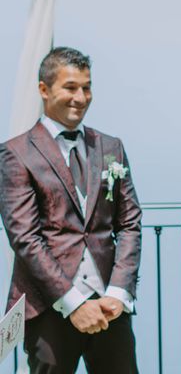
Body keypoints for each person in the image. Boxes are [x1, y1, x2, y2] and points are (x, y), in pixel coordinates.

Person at [0, 47, 142, 373]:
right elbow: (25, 238)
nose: (80, 97)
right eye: (70, 87)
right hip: (50, 308)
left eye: (87, 87)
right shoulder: (15, 154)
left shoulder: (110, 147)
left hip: (109, 307)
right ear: (44, 90)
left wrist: (119, 293)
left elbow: (130, 223)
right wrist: (74, 303)